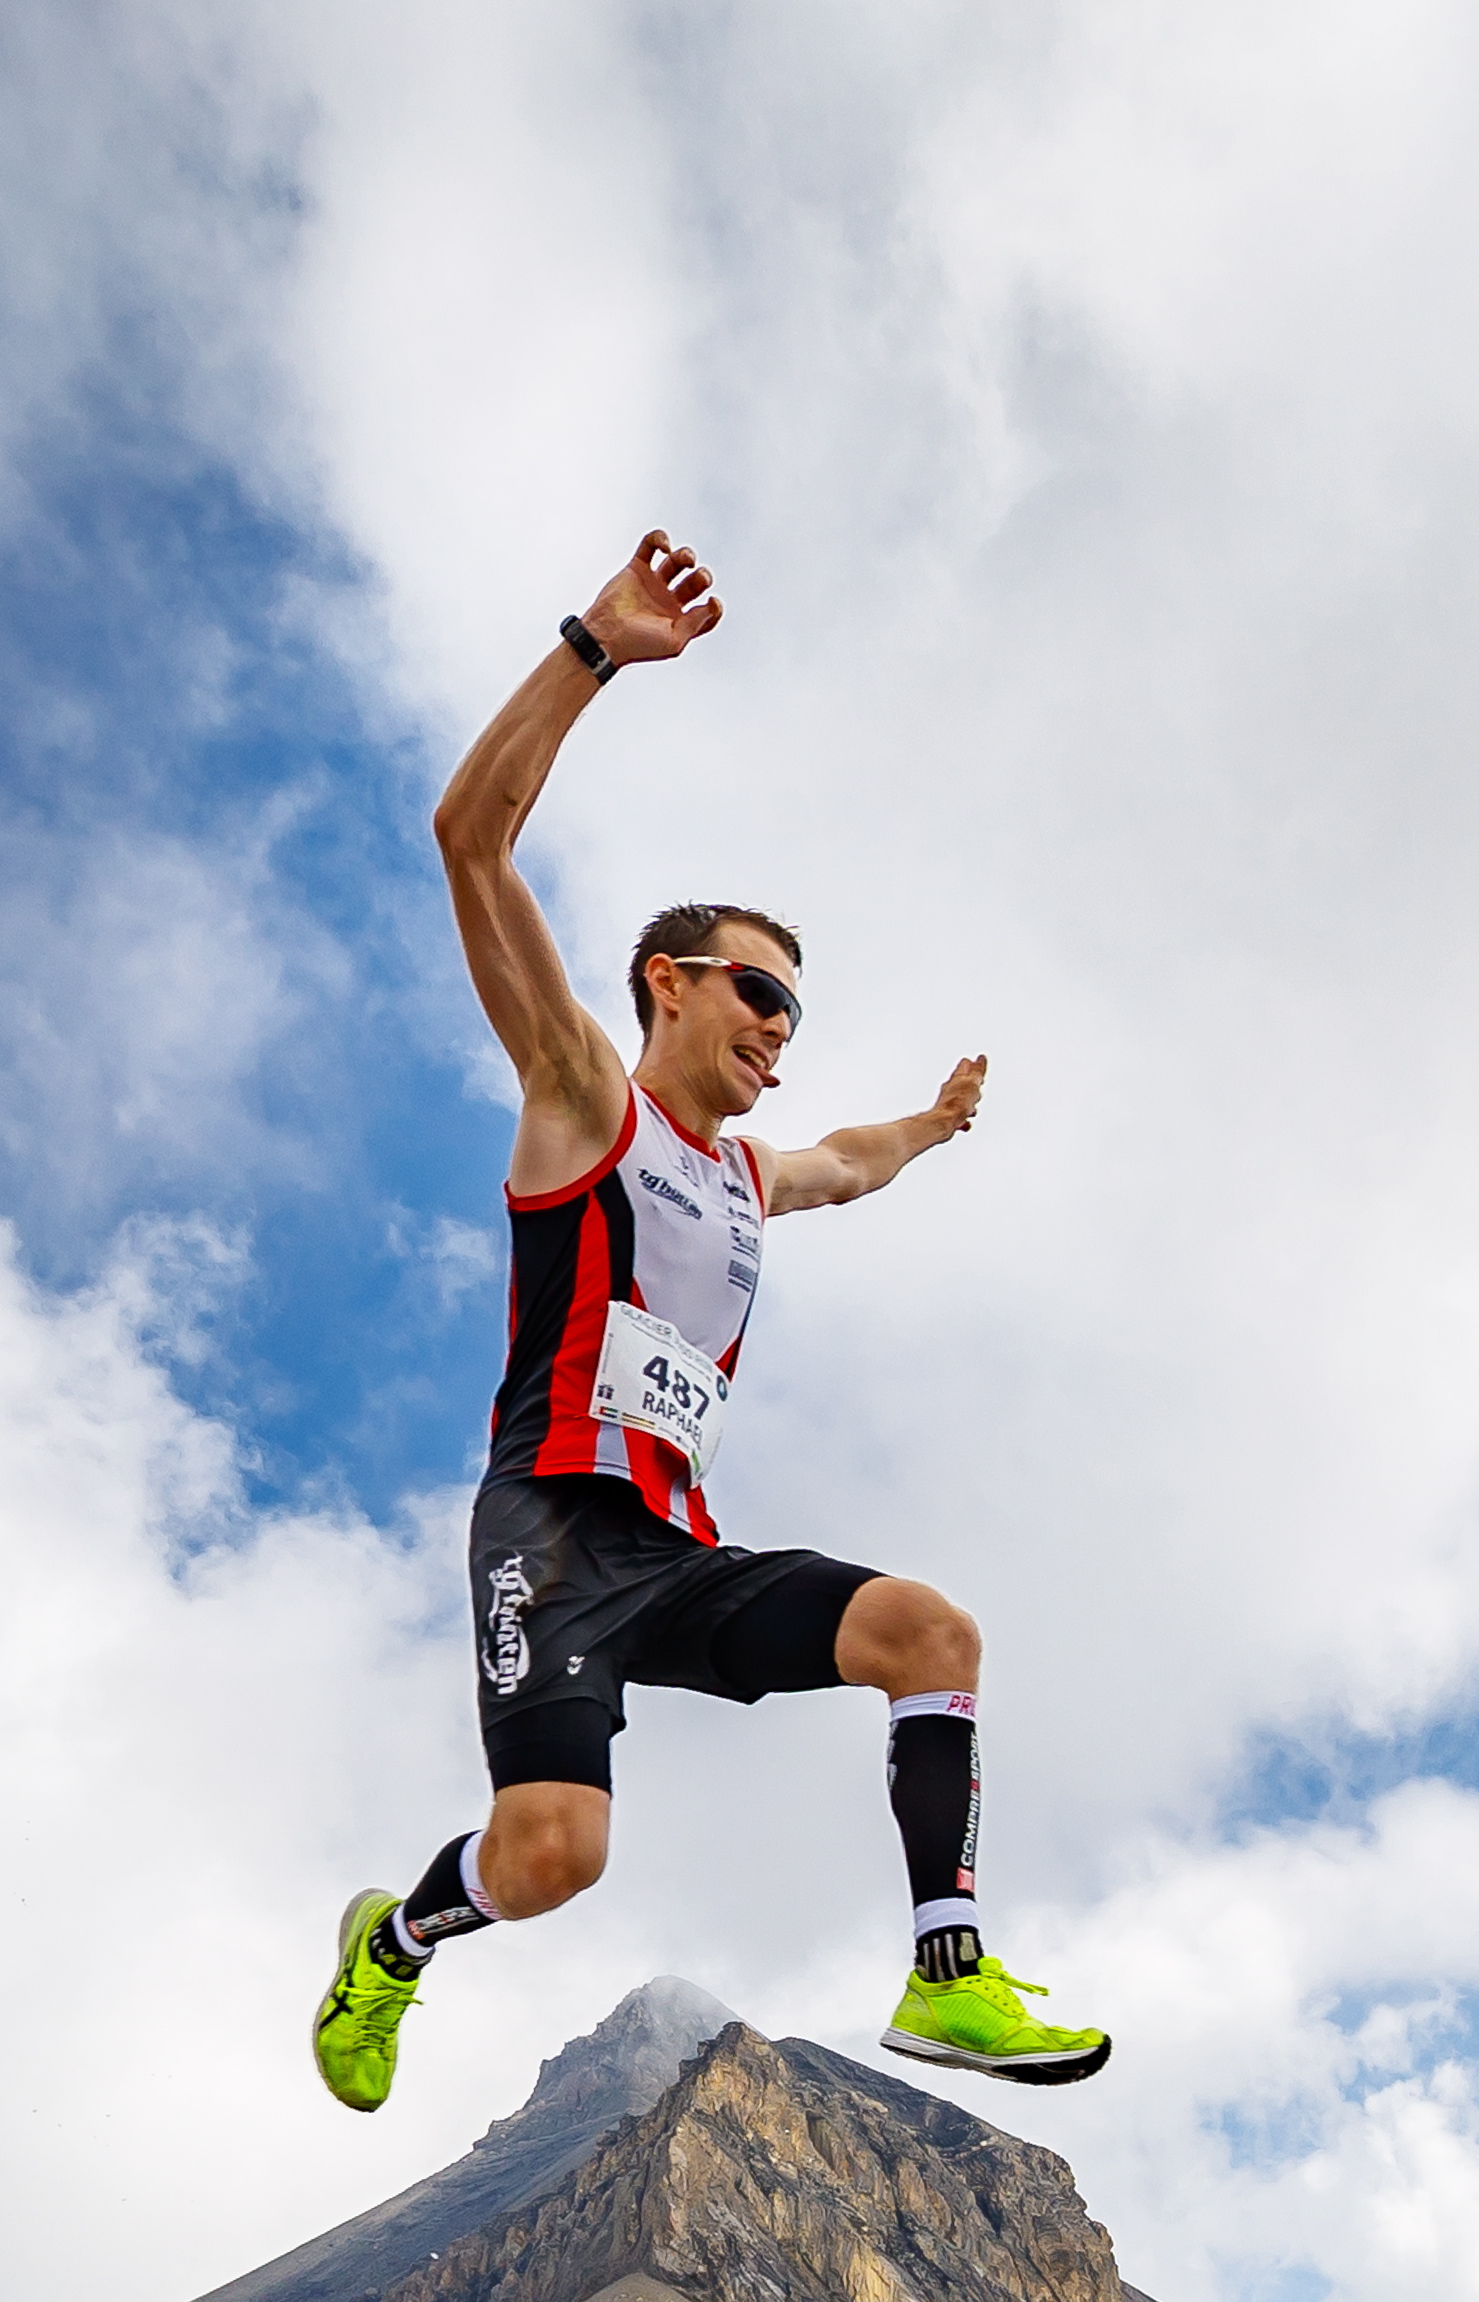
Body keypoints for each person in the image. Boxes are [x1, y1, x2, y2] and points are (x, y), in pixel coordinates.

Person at [310, 527, 1109, 2114]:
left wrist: (936, 1128)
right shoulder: (577, 1096)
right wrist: (593, 652)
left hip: (677, 1555)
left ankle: (947, 1978)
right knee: (554, 1858)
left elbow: (847, 1167)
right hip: (549, 1528)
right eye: (764, 999)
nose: (780, 1035)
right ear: (670, 984)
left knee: (929, 1632)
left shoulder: (749, 1173)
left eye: (797, 1015)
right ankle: (391, 1945)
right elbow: (471, 837)